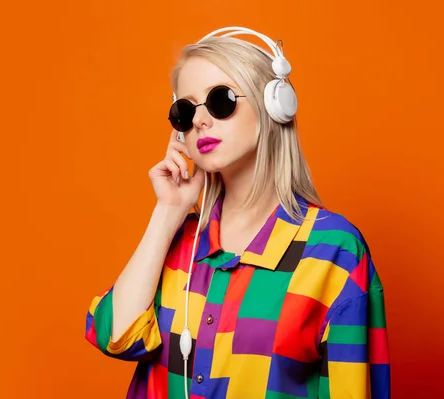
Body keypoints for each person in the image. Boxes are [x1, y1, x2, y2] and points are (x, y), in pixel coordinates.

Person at [84, 26, 391, 399]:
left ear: (274, 107)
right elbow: (117, 337)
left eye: (220, 101)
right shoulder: (180, 240)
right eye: (184, 110)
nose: (199, 121)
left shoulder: (333, 251)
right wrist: (169, 211)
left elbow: (353, 387)